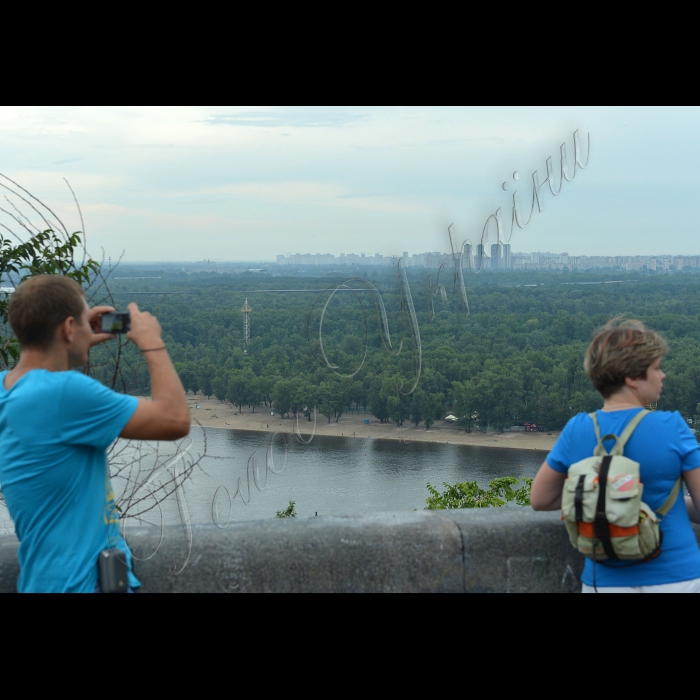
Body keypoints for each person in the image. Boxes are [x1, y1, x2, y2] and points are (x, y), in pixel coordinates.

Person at [0, 275, 190, 592]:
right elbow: (175, 419)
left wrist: (74, 339)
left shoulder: (9, 392)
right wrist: (151, 341)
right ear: (67, 327)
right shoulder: (65, 394)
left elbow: (45, 397)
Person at [531, 318, 700, 592]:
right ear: (632, 378)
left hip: (604, 583)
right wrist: (675, 502)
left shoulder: (577, 428)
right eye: (656, 368)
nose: (663, 375)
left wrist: (599, 497)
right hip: (676, 577)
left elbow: (540, 499)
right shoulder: (672, 427)